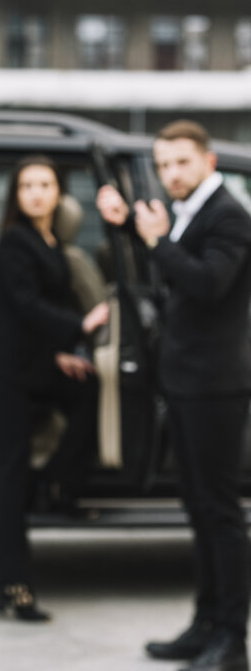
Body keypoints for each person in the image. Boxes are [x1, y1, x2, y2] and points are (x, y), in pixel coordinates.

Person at [97, 120, 251, 671]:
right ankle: (204, 624)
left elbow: (207, 284)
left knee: (220, 512)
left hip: (216, 386)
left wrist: (156, 241)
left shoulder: (229, 216)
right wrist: (127, 226)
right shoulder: (189, 213)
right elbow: (174, 268)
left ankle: (232, 638)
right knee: (198, 508)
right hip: (186, 382)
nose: (170, 174)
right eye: (163, 165)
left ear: (208, 162)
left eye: (181, 162)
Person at [0, 155, 109, 622]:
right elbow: (25, 305)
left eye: (45, 185)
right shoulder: (16, 239)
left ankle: (55, 482)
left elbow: (40, 309)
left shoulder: (51, 240)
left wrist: (60, 352)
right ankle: (11, 587)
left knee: (88, 389)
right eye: (27, 185)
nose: (36, 193)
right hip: (6, 370)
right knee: (10, 475)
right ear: (17, 195)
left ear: (59, 194)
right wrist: (81, 326)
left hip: (37, 362)